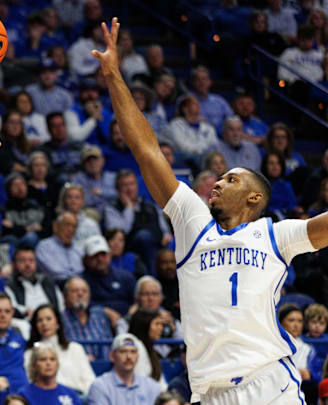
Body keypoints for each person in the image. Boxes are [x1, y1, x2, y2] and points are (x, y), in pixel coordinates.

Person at [92, 17, 327, 403]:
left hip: (269, 382)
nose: (217, 182)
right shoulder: (192, 221)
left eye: (232, 179)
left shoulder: (274, 233)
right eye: (220, 177)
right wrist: (114, 75)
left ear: (255, 198)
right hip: (211, 392)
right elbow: (146, 150)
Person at [24, 304, 96, 395]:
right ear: (35, 326)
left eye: (48, 319)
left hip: (78, 397)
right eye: (40, 320)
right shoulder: (30, 353)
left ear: (57, 323)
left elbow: (89, 379)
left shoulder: (75, 348)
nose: (44, 323)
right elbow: (29, 381)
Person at [85, 333, 162, 405]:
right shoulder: (100, 386)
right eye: (123, 351)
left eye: (133, 352)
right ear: (112, 356)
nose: (129, 357)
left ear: (138, 357)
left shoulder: (153, 387)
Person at [60, 276, 114, 361]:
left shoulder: (100, 316)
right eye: (75, 291)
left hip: (104, 367)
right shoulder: (59, 319)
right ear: (65, 296)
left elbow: (109, 346)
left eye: (84, 291)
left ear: (89, 296)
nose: (80, 294)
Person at [82, 234, 136, 315]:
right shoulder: (81, 282)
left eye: (103, 254)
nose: (100, 259)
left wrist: (133, 311)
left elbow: (136, 301)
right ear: (86, 259)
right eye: (95, 255)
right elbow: (82, 305)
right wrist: (105, 312)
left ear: (110, 255)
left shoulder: (125, 276)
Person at [5, 245, 63, 319]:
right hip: (25, 323)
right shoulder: (10, 285)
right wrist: (25, 311)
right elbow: (11, 307)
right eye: (22, 260)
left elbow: (61, 306)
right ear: (14, 264)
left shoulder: (48, 281)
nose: (27, 264)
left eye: (31, 260)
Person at [18, 345, 82, 405]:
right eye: (43, 359)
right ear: (34, 365)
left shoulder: (70, 394)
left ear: (57, 364)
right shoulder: (24, 394)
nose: (48, 363)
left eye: (52, 359)